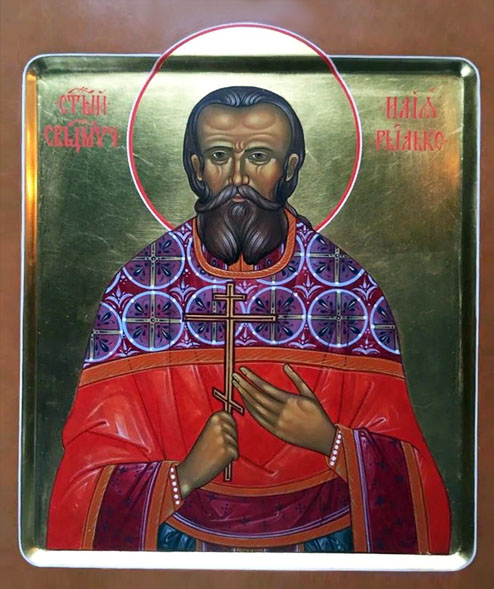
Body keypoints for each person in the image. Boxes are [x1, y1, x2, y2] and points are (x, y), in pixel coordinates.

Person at [47, 86, 450, 553]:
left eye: (259, 156)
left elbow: (412, 477)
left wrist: (331, 441)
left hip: (325, 556)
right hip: (179, 553)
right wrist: (184, 476)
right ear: (196, 169)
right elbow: (87, 476)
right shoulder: (140, 292)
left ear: (290, 169)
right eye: (220, 155)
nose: (239, 176)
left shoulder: (347, 292)